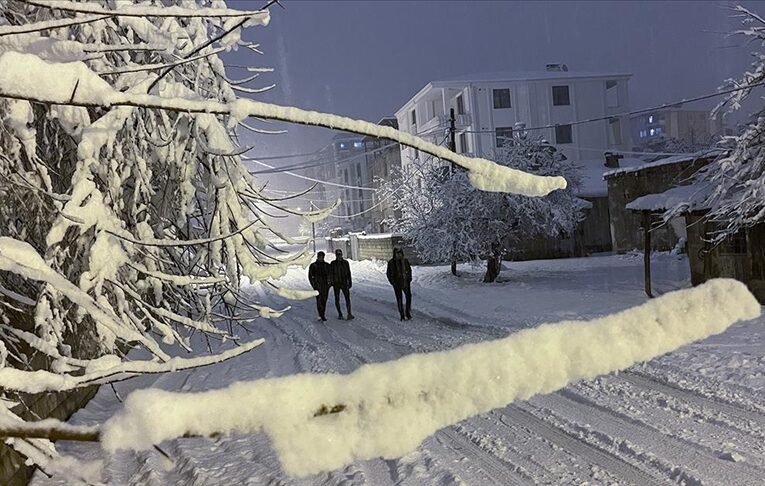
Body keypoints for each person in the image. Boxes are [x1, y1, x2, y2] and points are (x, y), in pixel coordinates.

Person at [386, 248, 412, 321]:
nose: (399, 255)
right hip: (397, 283)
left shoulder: (405, 261)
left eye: (400, 253)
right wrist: (392, 281)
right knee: (399, 298)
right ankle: (402, 314)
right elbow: (388, 273)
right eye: (397, 253)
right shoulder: (391, 263)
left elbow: (409, 270)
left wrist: (409, 279)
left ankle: (407, 312)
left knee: (408, 297)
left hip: (405, 282)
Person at [330, 248, 354, 320]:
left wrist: (350, 281)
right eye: (337, 255)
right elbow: (331, 274)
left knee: (347, 299)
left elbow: (348, 273)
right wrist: (332, 282)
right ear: (336, 255)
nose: (339, 256)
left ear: (342, 255)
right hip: (336, 284)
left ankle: (349, 313)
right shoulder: (333, 263)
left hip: (344, 283)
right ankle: (340, 313)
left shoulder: (345, 263)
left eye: (340, 255)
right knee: (337, 299)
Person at [308, 251, 331, 321]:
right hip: (317, 286)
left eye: (322, 257)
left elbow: (330, 275)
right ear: (318, 257)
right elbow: (310, 276)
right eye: (320, 257)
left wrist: (329, 284)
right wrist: (314, 285)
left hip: (325, 286)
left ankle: (322, 313)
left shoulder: (327, 265)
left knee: (324, 300)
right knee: (319, 300)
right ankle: (321, 315)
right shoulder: (313, 265)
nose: (321, 258)